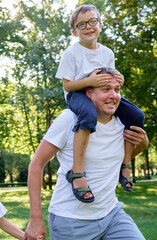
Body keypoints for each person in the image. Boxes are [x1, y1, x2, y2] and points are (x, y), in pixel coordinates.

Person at [24, 67, 149, 240]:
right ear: (89, 93)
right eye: (106, 89)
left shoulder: (123, 124)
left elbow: (110, 163)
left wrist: (141, 146)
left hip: (111, 215)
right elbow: (36, 164)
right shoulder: (69, 119)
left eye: (117, 90)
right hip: (71, 221)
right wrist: (35, 219)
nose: (113, 95)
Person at [56, 4, 144, 202]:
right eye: (81, 24)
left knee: (137, 115)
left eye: (92, 21)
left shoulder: (107, 53)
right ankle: (77, 172)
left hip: (101, 94)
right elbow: (67, 85)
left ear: (100, 25)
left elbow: (109, 78)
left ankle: (126, 164)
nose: (88, 27)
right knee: (88, 114)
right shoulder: (71, 53)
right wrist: (90, 82)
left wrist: (117, 80)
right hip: (78, 94)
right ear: (74, 31)